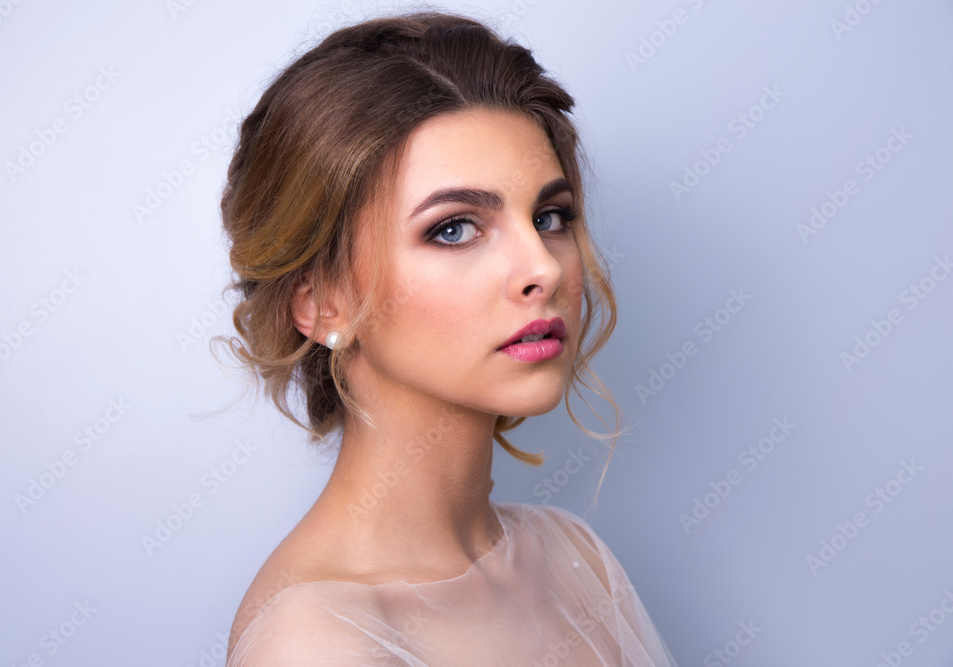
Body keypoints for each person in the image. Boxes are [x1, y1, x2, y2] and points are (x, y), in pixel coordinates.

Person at [215, 9, 678, 666]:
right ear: (319, 304)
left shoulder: (576, 556)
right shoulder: (317, 644)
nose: (544, 268)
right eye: (454, 228)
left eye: (550, 216)